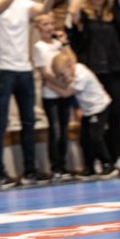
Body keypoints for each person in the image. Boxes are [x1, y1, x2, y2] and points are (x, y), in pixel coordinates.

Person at [0, 0, 56, 189]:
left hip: (24, 68)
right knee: (0, 123)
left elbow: (44, 9)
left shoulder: (23, 4)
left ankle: (30, 171)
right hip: (0, 68)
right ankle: (0, 174)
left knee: (29, 121)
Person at [69, 0, 120, 176]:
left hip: (115, 70)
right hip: (93, 73)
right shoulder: (85, 18)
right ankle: (94, 161)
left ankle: (117, 157)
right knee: (92, 118)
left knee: (115, 116)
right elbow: (73, 11)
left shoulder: (113, 14)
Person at [50, 49, 116, 178]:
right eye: (58, 76)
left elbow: (67, 93)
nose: (61, 79)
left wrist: (50, 84)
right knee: (84, 140)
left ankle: (108, 164)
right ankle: (89, 167)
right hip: (88, 111)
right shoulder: (72, 72)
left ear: (70, 66)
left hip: (99, 108)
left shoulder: (82, 74)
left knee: (95, 137)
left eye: (62, 75)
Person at [33, 13, 74, 182]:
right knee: (55, 129)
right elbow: (44, 73)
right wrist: (62, 85)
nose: (49, 27)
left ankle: (63, 165)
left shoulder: (58, 44)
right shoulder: (39, 47)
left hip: (64, 90)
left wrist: (65, 43)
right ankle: (55, 167)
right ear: (38, 28)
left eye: (51, 24)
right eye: (45, 24)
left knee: (64, 129)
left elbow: (71, 61)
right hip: (51, 93)